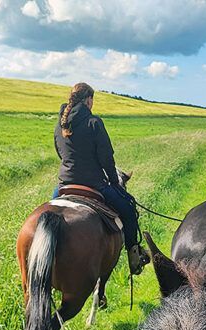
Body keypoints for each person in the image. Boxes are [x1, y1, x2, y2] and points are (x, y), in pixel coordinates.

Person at [53, 82, 149, 275]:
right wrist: (114, 182)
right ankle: (134, 256)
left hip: (64, 184)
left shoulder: (60, 125)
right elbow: (106, 158)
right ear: (89, 100)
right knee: (129, 208)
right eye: (92, 100)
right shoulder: (94, 123)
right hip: (93, 183)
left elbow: (60, 152)